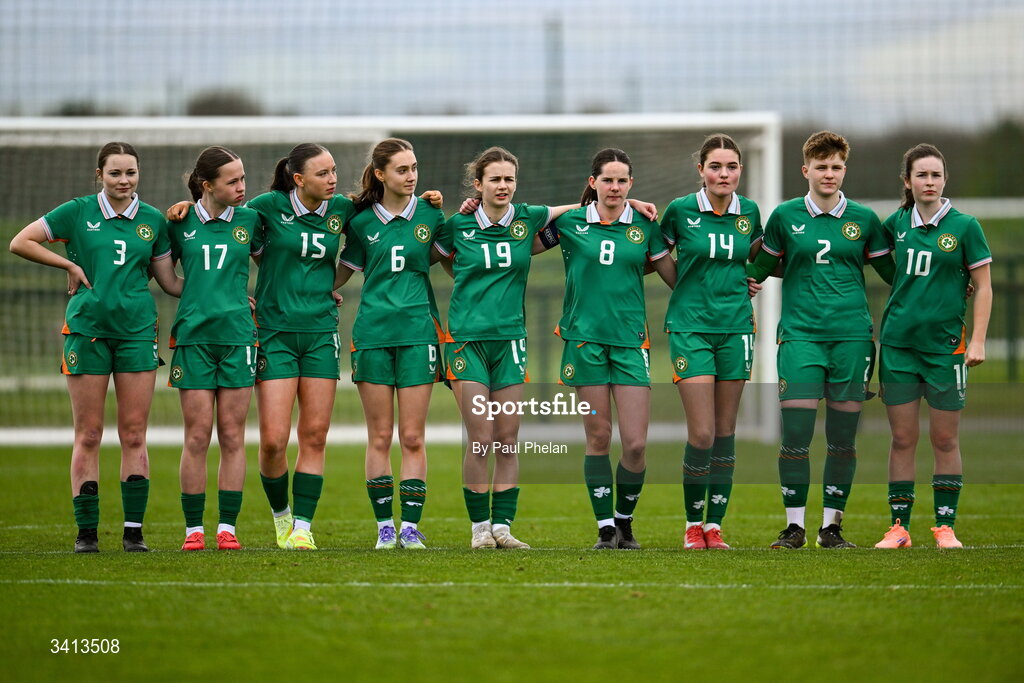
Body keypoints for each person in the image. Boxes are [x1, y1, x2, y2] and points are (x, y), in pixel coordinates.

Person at [166, 144, 442, 551]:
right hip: (274, 332)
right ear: (298, 180)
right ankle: (280, 517)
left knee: (314, 434)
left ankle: (302, 526)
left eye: (334, 171)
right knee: (274, 440)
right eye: (324, 174)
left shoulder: (343, 211)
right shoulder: (264, 208)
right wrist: (184, 206)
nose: (333, 179)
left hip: (320, 333)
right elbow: (219, 220)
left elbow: (385, 209)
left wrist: (432, 198)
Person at [9, 142, 179, 553]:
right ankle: (86, 533)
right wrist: (67, 264)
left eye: (131, 173)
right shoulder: (78, 211)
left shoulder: (153, 220)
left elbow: (171, 283)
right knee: (88, 433)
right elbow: (20, 242)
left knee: (134, 433)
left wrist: (223, 296)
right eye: (116, 173)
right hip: (87, 332)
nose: (124, 181)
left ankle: (133, 533)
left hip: (137, 333)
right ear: (99, 174)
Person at [747, 130, 893, 549]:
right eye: (822, 167)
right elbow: (758, 268)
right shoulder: (784, 216)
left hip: (851, 338)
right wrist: (731, 277)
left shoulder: (864, 220)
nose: (829, 174)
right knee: (795, 434)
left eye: (837, 167)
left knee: (842, 439)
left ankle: (832, 528)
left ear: (844, 169)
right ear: (805, 169)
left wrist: (947, 284)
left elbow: (893, 277)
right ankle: (794, 527)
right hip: (800, 337)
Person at [550, 148, 675, 550]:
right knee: (599, 438)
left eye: (622, 181)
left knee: (636, 443)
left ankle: (625, 520)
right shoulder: (570, 223)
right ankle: (605, 528)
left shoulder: (645, 225)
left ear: (631, 184)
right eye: (607, 179)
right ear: (593, 182)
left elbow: (676, 276)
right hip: (585, 342)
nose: (615, 187)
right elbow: (519, 231)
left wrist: (733, 285)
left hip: (630, 342)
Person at [873, 144, 992, 550]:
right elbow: (875, 262)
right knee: (902, 439)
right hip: (898, 347)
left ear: (944, 179)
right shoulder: (895, 224)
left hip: (945, 350)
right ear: (907, 181)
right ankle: (899, 528)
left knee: (945, 440)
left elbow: (985, 286)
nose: (929, 182)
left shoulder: (965, 226)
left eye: (936, 175)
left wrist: (977, 338)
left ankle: (945, 528)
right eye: (921, 175)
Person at [335, 138, 446, 550]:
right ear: (380, 174)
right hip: (373, 337)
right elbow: (341, 271)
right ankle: (384, 526)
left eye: (414, 167)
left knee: (413, 437)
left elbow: (455, 254)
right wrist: (312, 293)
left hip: (418, 336)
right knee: (379, 436)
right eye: (402, 169)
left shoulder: (433, 214)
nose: (412, 175)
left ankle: (411, 528)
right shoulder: (360, 221)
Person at [659, 134, 762, 550]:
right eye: (716, 166)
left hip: (736, 328)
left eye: (732, 166)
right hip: (690, 329)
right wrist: (681, 288)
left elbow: (762, 254)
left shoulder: (750, 212)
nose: (724, 174)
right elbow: (656, 254)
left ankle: (714, 526)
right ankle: (691, 524)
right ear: (700, 170)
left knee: (725, 431)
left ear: (740, 170)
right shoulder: (680, 210)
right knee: (701, 434)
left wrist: (751, 278)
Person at [168, 146, 262, 551]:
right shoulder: (177, 222)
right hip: (193, 339)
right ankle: (193, 530)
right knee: (196, 436)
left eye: (243, 178)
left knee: (232, 435)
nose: (242, 187)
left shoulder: (253, 220)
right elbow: (156, 271)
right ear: (206, 186)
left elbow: (284, 262)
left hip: (239, 337)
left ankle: (227, 528)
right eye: (233, 181)